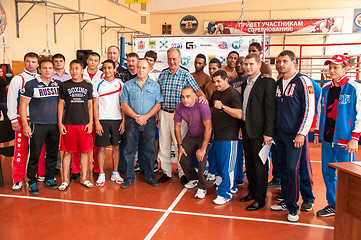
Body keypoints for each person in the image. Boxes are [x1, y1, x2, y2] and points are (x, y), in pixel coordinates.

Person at [270, 50, 315, 222]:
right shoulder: (278, 82)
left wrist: (302, 133)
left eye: (285, 61)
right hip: (279, 135)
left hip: (295, 136)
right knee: (282, 169)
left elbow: (309, 109)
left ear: (294, 63)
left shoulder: (303, 81)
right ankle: (287, 200)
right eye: (278, 61)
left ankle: (293, 208)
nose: (281, 64)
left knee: (292, 169)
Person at [314, 55, 361, 217]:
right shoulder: (326, 88)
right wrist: (317, 132)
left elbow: (359, 114)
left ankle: (348, 206)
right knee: (327, 173)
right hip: (327, 139)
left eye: (336, 67)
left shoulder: (353, 88)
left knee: (347, 176)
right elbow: (320, 112)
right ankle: (333, 204)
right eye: (330, 67)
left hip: (345, 141)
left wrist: (355, 138)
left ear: (345, 69)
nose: (332, 70)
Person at [157, 47, 205, 184]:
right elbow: (158, 95)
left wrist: (203, 98)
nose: (172, 62)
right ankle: (166, 171)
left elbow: (197, 91)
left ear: (180, 59)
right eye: (170, 59)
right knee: (164, 145)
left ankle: (183, 173)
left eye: (174, 59)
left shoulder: (185, 75)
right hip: (164, 113)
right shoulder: (163, 74)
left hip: (180, 116)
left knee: (181, 145)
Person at [239, 53, 276, 211]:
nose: (248, 67)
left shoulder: (267, 82)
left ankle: (260, 199)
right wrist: (241, 128)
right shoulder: (244, 84)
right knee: (251, 166)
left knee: (260, 165)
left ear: (259, 65)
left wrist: (268, 133)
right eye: (246, 64)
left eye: (251, 64)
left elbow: (270, 110)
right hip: (247, 130)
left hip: (261, 132)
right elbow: (244, 109)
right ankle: (252, 192)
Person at [19, 59, 61, 195]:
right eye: (44, 68)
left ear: (53, 70)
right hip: (38, 124)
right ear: (39, 70)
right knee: (35, 154)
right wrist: (25, 125)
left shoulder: (58, 84)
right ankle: (32, 180)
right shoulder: (31, 85)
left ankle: (49, 178)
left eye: (50, 68)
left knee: (52, 153)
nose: (47, 71)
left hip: (54, 124)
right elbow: (23, 105)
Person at [120, 59, 163, 188]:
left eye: (144, 68)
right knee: (129, 150)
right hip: (132, 122)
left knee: (149, 151)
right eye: (139, 67)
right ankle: (129, 177)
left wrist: (146, 117)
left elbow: (158, 104)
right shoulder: (127, 85)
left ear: (149, 69)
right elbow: (124, 104)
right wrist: (137, 117)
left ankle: (150, 176)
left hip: (149, 122)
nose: (141, 70)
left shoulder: (155, 86)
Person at [7, 52, 46, 191]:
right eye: (28, 61)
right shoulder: (18, 79)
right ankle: (17, 179)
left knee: (40, 149)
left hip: (39, 120)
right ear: (24, 62)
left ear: (37, 64)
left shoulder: (42, 78)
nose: (31, 64)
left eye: (33, 62)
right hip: (22, 119)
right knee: (21, 150)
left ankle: (41, 174)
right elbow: (11, 100)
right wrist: (13, 119)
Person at [58, 60, 94, 190]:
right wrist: (60, 123)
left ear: (82, 70)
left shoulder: (88, 86)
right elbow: (61, 104)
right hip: (68, 124)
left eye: (77, 68)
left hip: (84, 124)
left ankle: (84, 178)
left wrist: (91, 122)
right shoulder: (64, 85)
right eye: (72, 68)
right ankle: (65, 180)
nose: (74, 71)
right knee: (67, 153)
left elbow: (90, 105)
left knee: (85, 152)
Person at [210, 70, 243, 205]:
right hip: (218, 135)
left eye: (219, 81)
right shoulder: (216, 93)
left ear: (226, 80)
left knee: (227, 166)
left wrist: (223, 107)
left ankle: (225, 193)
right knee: (221, 164)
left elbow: (239, 114)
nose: (216, 84)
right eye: (214, 82)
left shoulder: (233, 94)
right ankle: (232, 186)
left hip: (230, 136)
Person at [175, 86, 212, 199]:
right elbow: (177, 126)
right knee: (182, 157)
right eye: (183, 97)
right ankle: (193, 178)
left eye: (188, 97)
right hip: (191, 135)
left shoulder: (202, 105)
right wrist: (180, 145)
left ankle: (202, 187)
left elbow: (209, 128)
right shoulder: (179, 106)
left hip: (204, 135)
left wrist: (203, 148)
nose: (185, 100)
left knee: (201, 159)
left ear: (195, 96)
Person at [93, 60, 125, 187]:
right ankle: (101, 174)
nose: (107, 70)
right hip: (102, 120)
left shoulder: (120, 84)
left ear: (114, 69)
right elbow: (95, 105)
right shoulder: (97, 84)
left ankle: (115, 172)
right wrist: (97, 122)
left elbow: (123, 104)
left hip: (117, 120)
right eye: (105, 68)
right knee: (101, 148)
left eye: (109, 68)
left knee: (116, 148)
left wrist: (123, 121)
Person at [229, 56, 248, 186]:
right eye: (238, 63)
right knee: (236, 152)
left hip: (248, 121)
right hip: (234, 121)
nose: (239, 65)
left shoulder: (249, 80)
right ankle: (238, 177)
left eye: (243, 63)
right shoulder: (231, 82)